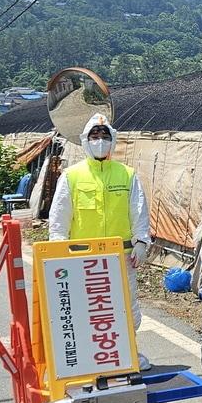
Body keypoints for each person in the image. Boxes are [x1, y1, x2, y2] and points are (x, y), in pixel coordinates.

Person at [48, 113, 150, 330]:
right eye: (94, 136)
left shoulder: (127, 175)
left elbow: (138, 210)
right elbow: (60, 216)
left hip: (120, 256)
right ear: (86, 140)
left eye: (104, 136)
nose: (100, 141)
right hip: (83, 258)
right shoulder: (71, 175)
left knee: (125, 305)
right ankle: (91, 358)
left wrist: (141, 241)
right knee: (86, 305)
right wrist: (58, 246)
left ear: (112, 140)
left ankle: (129, 352)